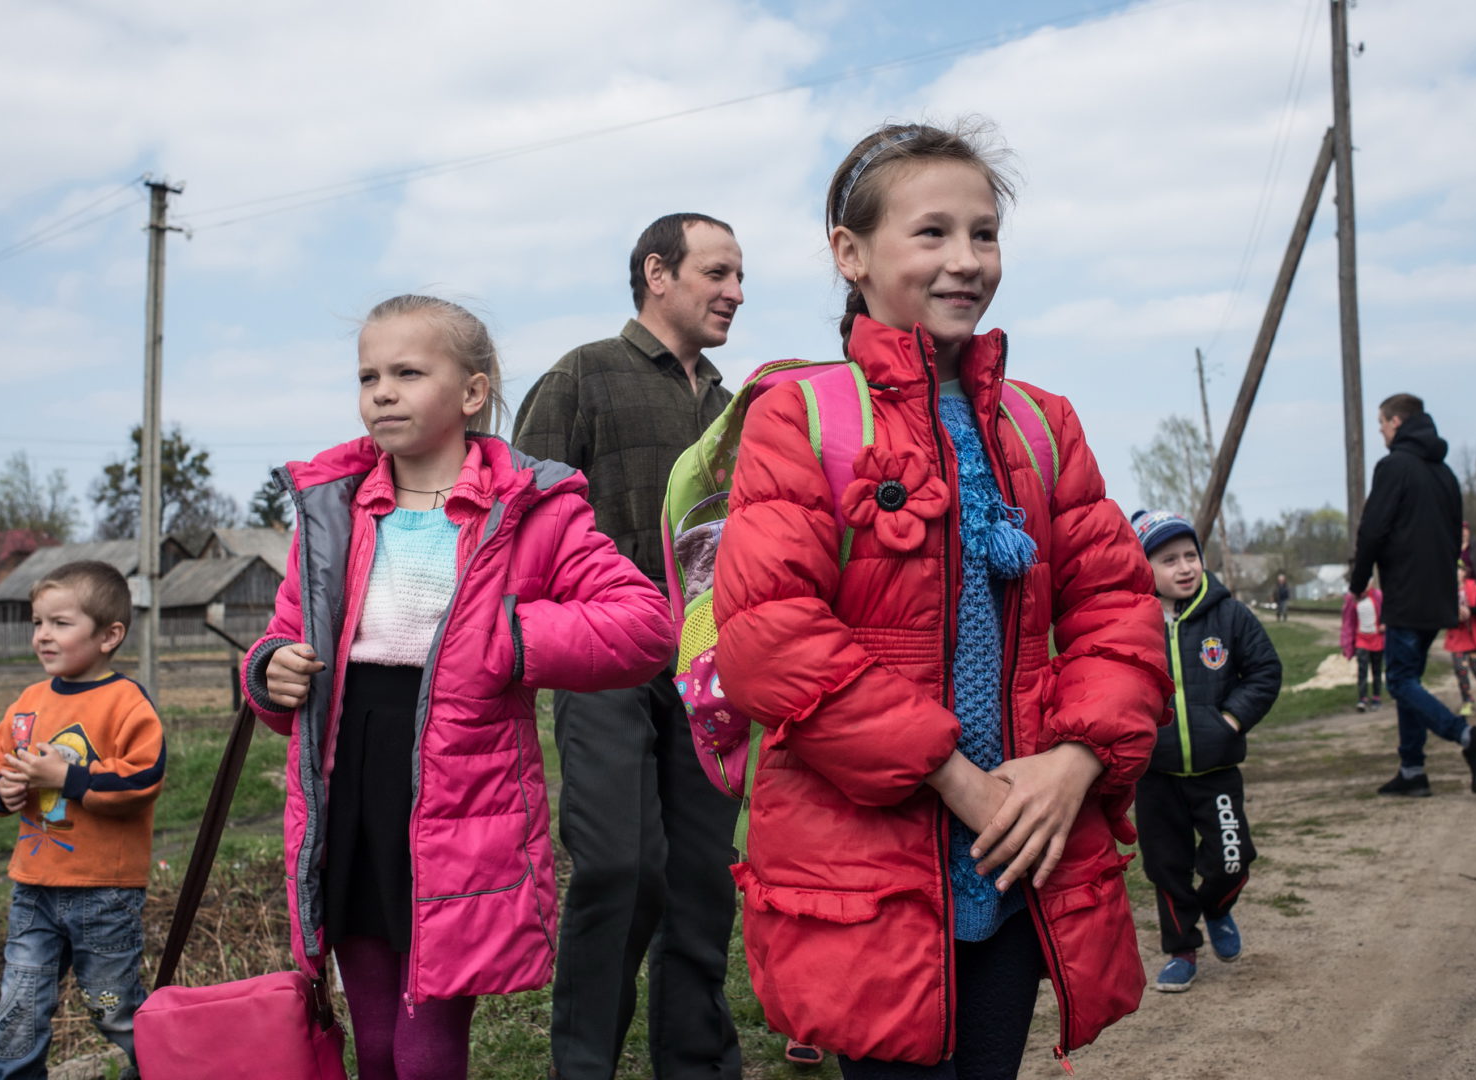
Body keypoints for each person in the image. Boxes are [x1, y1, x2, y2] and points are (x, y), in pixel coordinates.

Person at [712, 120, 1170, 1077]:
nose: (966, 260)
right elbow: (769, 638)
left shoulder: (1044, 424)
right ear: (852, 253)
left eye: (985, 233)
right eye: (932, 234)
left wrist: (1076, 761)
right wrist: (963, 783)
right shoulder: (802, 417)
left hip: (1019, 864)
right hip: (869, 872)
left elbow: (1116, 611)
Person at [242, 295, 674, 1080]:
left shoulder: (531, 509)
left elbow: (646, 624)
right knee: (373, 1039)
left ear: (473, 393)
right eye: (369, 375)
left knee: (426, 1042)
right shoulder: (334, 510)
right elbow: (281, 641)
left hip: (460, 796)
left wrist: (514, 639)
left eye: (408, 372)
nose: (382, 391)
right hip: (350, 789)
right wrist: (270, 673)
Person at [512, 214, 746, 1080]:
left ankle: (697, 1063)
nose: (736, 291)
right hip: (603, 659)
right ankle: (584, 1067)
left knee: (700, 880)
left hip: (706, 670)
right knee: (620, 866)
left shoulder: (734, 409)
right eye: (717, 272)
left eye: (738, 275)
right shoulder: (583, 375)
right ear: (658, 271)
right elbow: (520, 514)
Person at [0, 560, 165, 1080]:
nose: (42, 636)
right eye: (38, 622)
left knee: (110, 1006)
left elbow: (141, 778)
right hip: (33, 891)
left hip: (103, 895)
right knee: (19, 1004)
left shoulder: (125, 702)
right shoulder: (28, 703)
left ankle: (161, 1066)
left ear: (110, 635)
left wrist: (67, 776)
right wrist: (5, 790)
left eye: (60, 623)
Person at [1129, 511, 1281, 993]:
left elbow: (1265, 672)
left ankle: (1217, 906)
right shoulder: (1132, 622)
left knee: (1232, 860)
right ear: (1145, 566)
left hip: (1216, 771)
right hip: (1157, 775)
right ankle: (1181, 950)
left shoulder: (1229, 615)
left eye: (1190, 555)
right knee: (1166, 867)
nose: (1184, 567)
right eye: (1168, 559)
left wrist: (1230, 721)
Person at [1349, 392, 1476, 797]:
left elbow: (1373, 529)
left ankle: (1467, 736)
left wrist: (1359, 579)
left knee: (1398, 680)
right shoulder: (1445, 474)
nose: (1379, 429)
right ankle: (1413, 771)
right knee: (1408, 677)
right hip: (1437, 596)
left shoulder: (1393, 466)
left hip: (1406, 593)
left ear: (1396, 422)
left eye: (1381, 422)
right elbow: (1454, 538)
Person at [1445, 563, 1476, 716]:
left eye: (1458, 569)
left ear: (1464, 572)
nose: (1455, 573)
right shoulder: (1444, 591)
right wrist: (1454, 615)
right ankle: (1467, 700)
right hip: (1457, 639)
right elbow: (1439, 614)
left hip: (1475, 639)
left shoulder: (1475, 588)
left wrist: (1470, 610)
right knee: (1461, 670)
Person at [1341, 568, 1386, 712]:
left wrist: (1384, 625)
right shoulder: (1352, 598)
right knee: (1362, 669)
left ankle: (1377, 697)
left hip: (1376, 638)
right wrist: (1347, 642)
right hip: (1361, 639)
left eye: (1368, 581)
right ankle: (1362, 698)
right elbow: (1348, 621)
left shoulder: (1378, 596)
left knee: (1376, 669)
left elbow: (1386, 611)